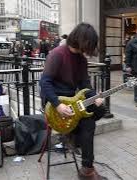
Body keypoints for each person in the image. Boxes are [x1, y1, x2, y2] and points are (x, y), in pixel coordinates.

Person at [39, 23, 107, 180]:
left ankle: (74, 138)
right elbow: (45, 82)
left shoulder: (81, 60)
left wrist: (95, 96)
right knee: (88, 124)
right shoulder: (57, 54)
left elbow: (84, 84)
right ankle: (86, 168)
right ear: (83, 41)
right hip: (54, 103)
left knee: (100, 110)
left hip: (70, 100)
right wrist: (58, 105)